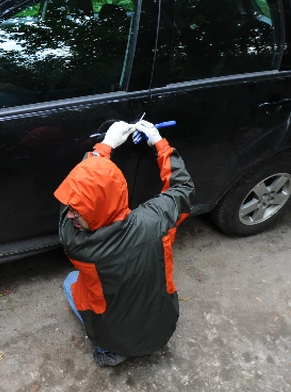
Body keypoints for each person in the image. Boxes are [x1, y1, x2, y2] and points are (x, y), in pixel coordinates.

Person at [53, 119, 195, 366]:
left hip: (116, 340)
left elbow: (75, 193)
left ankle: (110, 352)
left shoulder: (76, 243)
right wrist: (159, 143)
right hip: (164, 330)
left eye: (78, 210)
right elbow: (183, 188)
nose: (71, 214)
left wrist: (104, 146)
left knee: (71, 281)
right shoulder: (156, 222)